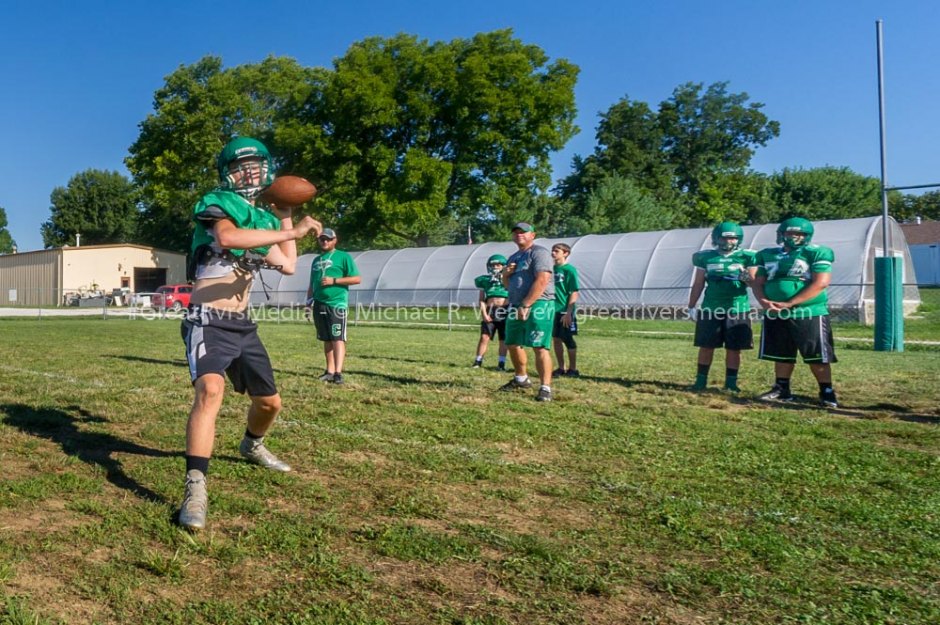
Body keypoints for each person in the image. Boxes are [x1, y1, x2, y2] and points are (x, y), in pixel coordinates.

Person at [179, 137, 322, 531]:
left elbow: (288, 266)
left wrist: (286, 216)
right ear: (227, 172)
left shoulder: (263, 220)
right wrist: (291, 233)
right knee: (210, 391)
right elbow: (227, 238)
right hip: (207, 318)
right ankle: (195, 486)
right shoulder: (216, 201)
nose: (250, 172)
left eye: (256, 164)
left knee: (270, 404)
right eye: (241, 165)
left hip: (242, 323)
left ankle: (252, 444)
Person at [751, 217, 839, 408]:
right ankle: (782, 389)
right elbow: (758, 282)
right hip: (776, 311)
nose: (794, 237)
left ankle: (827, 391)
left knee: (816, 355)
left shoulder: (816, 252)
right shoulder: (766, 254)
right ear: (781, 234)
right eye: (790, 233)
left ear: (807, 236)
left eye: (799, 234)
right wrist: (763, 301)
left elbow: (821, 282)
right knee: (781, 354)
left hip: (808, 311)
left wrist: (790, 303)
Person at [687, 222, 756, 392]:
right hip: (711, 307)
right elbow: (698, 283)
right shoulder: (706, 257)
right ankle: (700, 381)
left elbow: (754, 282)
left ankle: (731, 383)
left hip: (737, 308)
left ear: (738, 239)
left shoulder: (747, 256)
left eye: (732, 237)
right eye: (725, 237)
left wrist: (744, 275)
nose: (728, 241)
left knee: (734, 348)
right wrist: (691, 305)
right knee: (706, 346)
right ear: (716, 238)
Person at [501, 222, 555, 401]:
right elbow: (509, 287)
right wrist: (505, 276)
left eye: (523, 232)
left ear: (533, 235)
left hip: (539, 304)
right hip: (516, 304)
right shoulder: (513, 257)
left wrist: (527, 304)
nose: (519, 235)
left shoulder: (539, 253)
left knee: (539, 345)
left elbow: (543, 280)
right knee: (512, 342)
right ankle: (521, 379)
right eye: (516, 232)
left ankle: (545, 388)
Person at [305, 227, 361, 385]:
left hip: (336, 304)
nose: (324, 241)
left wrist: (334, 281)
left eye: (328, 239)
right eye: (322, 239)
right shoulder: (316, 260)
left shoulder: (343, 257)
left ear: (334, 240)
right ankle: (329, 371)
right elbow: (312, 284)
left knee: (337, 338)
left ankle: (338, 372)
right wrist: (308, 303)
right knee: (326, 338)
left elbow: (356, 279)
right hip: (319, 304)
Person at [472, 254, 510, 370]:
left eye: (498, 264)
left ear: (503, 266)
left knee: (503, 339)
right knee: (484, 337)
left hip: (505, 310)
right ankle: (478, 361)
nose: (495, 267)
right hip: (490, 310)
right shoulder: (485, 280)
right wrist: (484, 314)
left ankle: (501, 364)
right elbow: (481, 300)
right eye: (493, 264)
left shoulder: (508, 279)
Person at [551, 243, 581, 377]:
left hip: (564, 309)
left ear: (565, 253)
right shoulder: (550, 270)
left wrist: (569, 312)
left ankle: (573, 369)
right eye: (552, 251)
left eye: (556, 251)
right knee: (556, 339)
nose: (553, 253)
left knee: (567, 339)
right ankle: (561, 367)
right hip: (552, 310)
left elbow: (574, 292)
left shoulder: (569, 270)